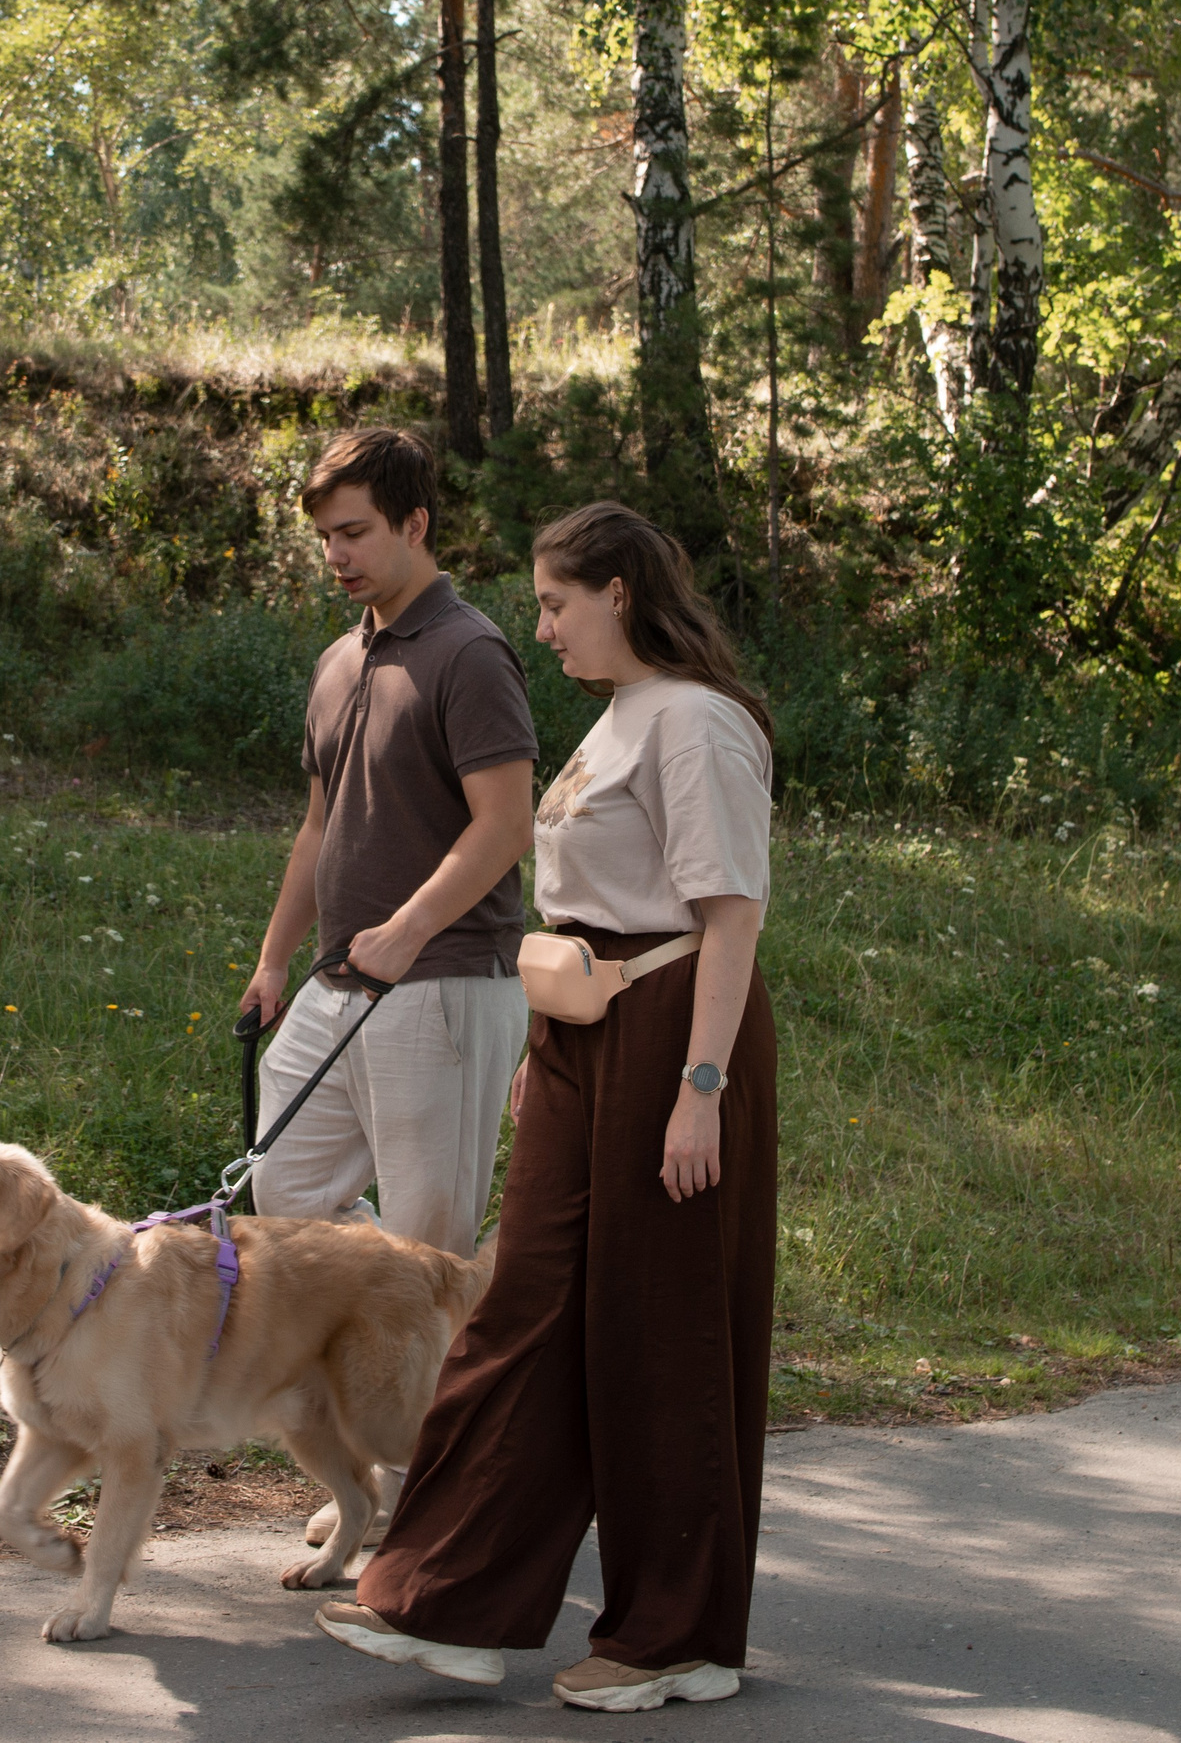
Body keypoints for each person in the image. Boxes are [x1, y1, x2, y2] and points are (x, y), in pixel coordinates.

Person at [314, 500, 778, 1715]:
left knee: (657, 1331)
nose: (544, 628)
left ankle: (680, 1639)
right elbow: (584, 913)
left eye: (557, 604)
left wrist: (699, 1089)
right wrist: (549, 1049)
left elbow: (727, 917)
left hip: (676, 1037)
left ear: (617, 592)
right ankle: (450, 1603)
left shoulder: (696, 723)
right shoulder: (620, 719)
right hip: (585, 1039)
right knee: (519, 1314)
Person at [238, 429, 535, 1549]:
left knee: (425, 1249)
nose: (338, 555)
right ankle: (392, 1459)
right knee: (289, 1198)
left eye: (355, 532)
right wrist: (275, 958)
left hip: (446, 984)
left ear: (415, 523)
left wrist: (408, 931)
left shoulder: (471, 653)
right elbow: (318, 827)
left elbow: (504, 826)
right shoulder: (338, 659)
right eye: (324, 538)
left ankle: (430, 1493)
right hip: (337, 981)